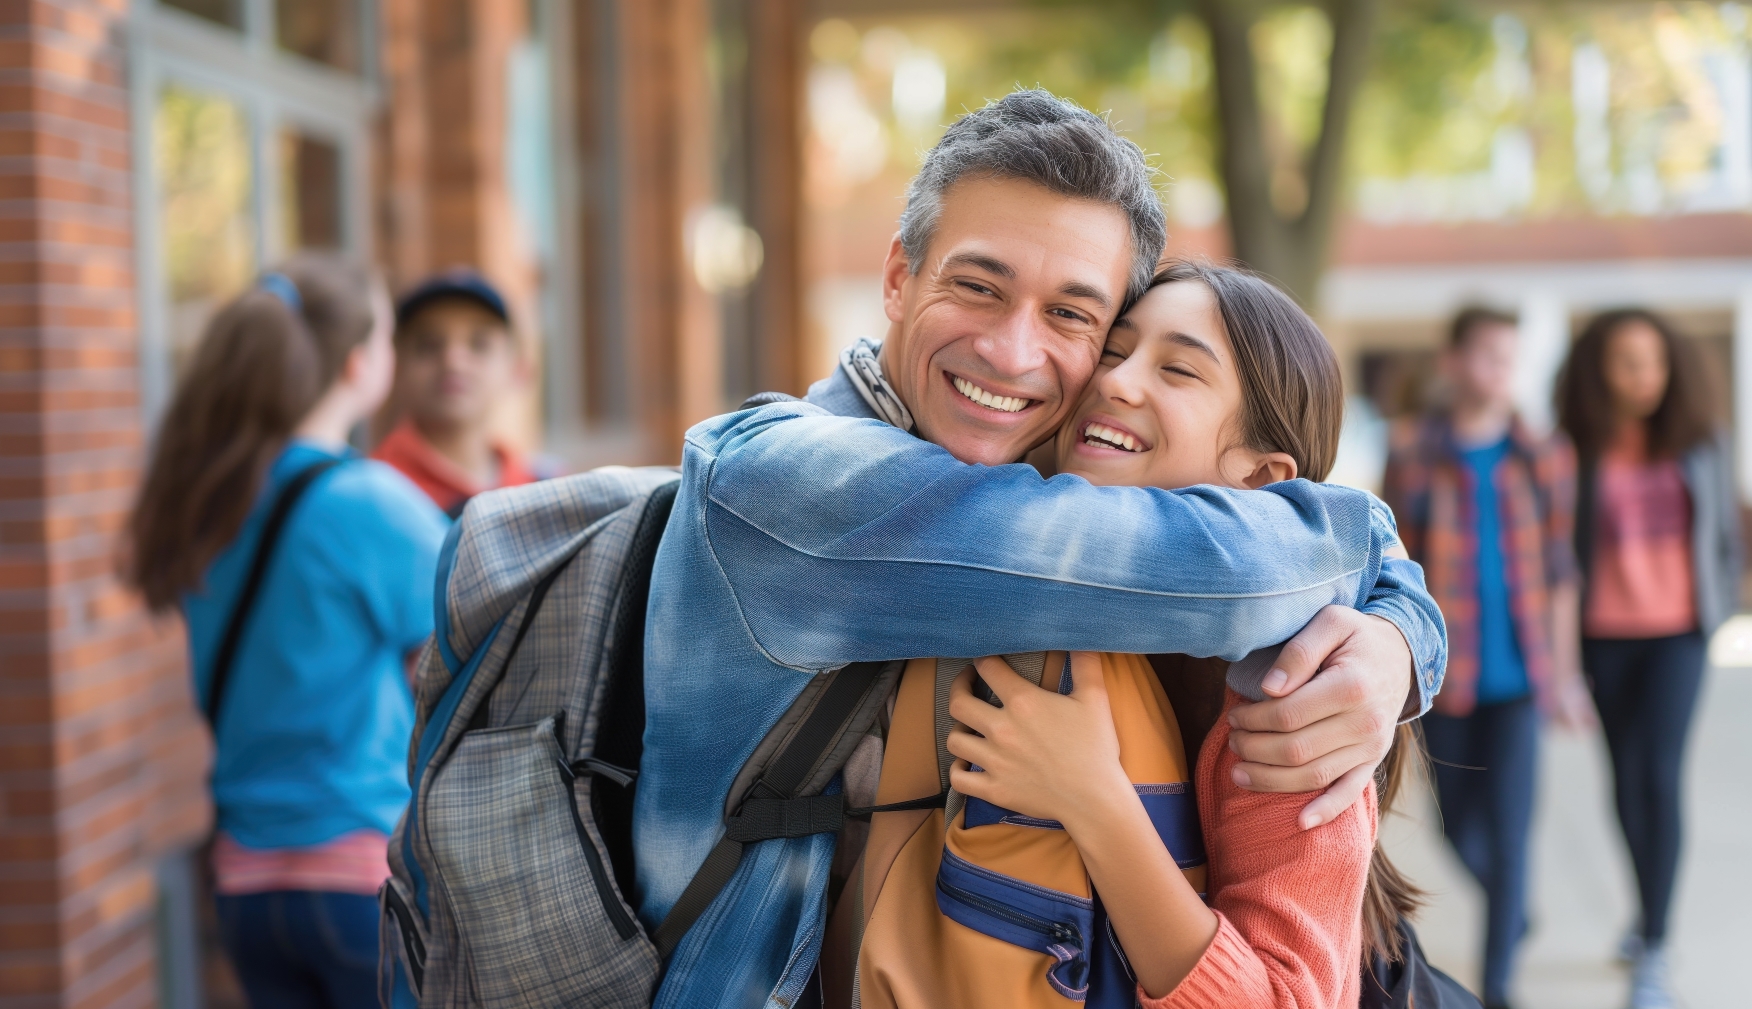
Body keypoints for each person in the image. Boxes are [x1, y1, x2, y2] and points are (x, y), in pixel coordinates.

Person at [637, 89, 1448, 1009]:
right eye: (978, 286)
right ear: (899, 277)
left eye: (1073, 318)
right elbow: (1215, 563)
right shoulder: (800, 485)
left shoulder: (1275, 694)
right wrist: (1399, 615)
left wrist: (1389, 632)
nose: (1014, 353)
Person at [843, 261, 1422, 1009]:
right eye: (1113, 352)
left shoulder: (1296, 695)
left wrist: (1092, 798)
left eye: (1177, 368)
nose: (1115, 382)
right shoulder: (1022, 553)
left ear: (1262, 478)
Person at [124, 255, 449, 1009]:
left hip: (245, 889)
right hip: (359, 882)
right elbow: (488, 635)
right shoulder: (364, 502)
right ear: (360, 363)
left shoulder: (209, 496)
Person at [1381, 307, 1589, 1009]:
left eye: (1511, 356)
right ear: (1453, 362)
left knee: (1510, 830)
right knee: (1457, 828)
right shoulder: (1412, 450)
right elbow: (1393, 566)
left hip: (1522, 678)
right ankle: (1513, 907)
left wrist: (1565, 675)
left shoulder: (1545, 454)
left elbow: (1561, 569)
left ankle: (1500, 986)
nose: (1501, 369)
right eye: (1487, 354)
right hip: (1447, 675)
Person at [1555, 309, 1739, 1009]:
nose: (1644, 375)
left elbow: (1722, 528)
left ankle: (1657, 945)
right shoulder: (1576, 446)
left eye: (1655, 361)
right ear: (1598, 368)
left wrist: (1717, 608)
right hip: (1605, 634)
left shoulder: (1701, 440)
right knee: (1625, 780)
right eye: (1628, 361)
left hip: (1678, 635)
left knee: (1659, 775)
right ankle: (1646, 909)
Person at [371, 270, 538, 517]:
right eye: (429, 345)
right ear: (397, 365)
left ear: (518, 369)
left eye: (479, 344)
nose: (453, 361)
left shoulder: (539, 487)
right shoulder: (375, 491)